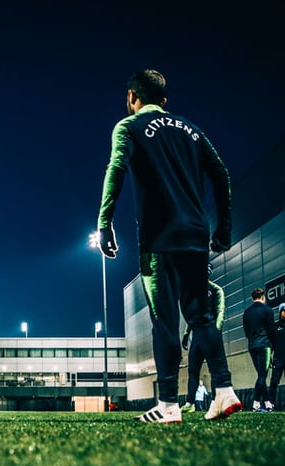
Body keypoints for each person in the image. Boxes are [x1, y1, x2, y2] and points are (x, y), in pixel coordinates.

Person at [95, 68, 240, 423]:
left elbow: (117, 167)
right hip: (195, 235)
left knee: (164, 322)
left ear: (131, 97)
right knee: (202, 316)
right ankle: (224, 391)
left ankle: (168, 404)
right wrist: (223, 226)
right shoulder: (191, 129)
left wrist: (104, 221)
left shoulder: (127, 127)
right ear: (164, 100)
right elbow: (221, 173)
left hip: (159, 238)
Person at [180, 263, 224, 414]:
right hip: (197, 337)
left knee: (214, 370)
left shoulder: (216, 290)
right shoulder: (193, 292)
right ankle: (189, 402)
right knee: (193, 370)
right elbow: (192, 316)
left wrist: (215, 333)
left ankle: (214, 401)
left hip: (211, 334)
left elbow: (220, 312)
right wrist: (186, 334)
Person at [243, 288, 276, 412]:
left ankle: (267, 403)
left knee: (260, 376)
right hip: (264, 345)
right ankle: (256, 403)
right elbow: (272, 329)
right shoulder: (267, 310)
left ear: (252, 298)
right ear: (263, 297)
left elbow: (246, 331)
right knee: (262, 375)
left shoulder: (247, 312)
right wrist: (273, 346)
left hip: (252, 346)